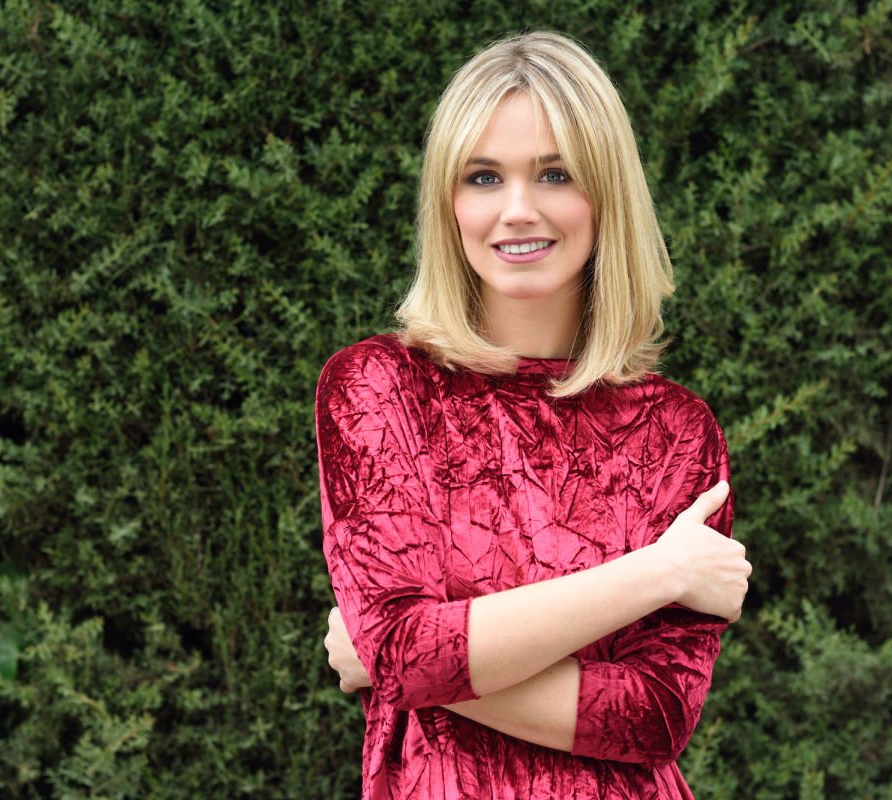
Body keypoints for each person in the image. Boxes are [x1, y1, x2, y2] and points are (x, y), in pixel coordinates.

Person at [313, 30, 752, 799]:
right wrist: (659, 573)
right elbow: (404, 652)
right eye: (484, 177)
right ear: (449, 203)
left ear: (605, 195)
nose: (518, 210)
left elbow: (655, 716)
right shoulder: (378, 388)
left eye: (555, 174)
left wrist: (413, 664)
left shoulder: (676, 432)